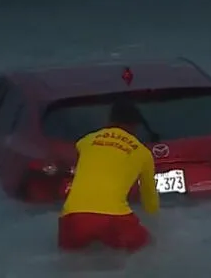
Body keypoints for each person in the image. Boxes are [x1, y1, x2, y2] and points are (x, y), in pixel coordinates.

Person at [59, 99, 160, 252]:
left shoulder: (87, 141)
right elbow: (149, 197)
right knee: (151, 246)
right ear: (135, 125)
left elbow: (78, 148)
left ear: (109, 120)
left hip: (72, 217)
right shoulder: (143, 153)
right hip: (115, 218)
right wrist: (155, 220)